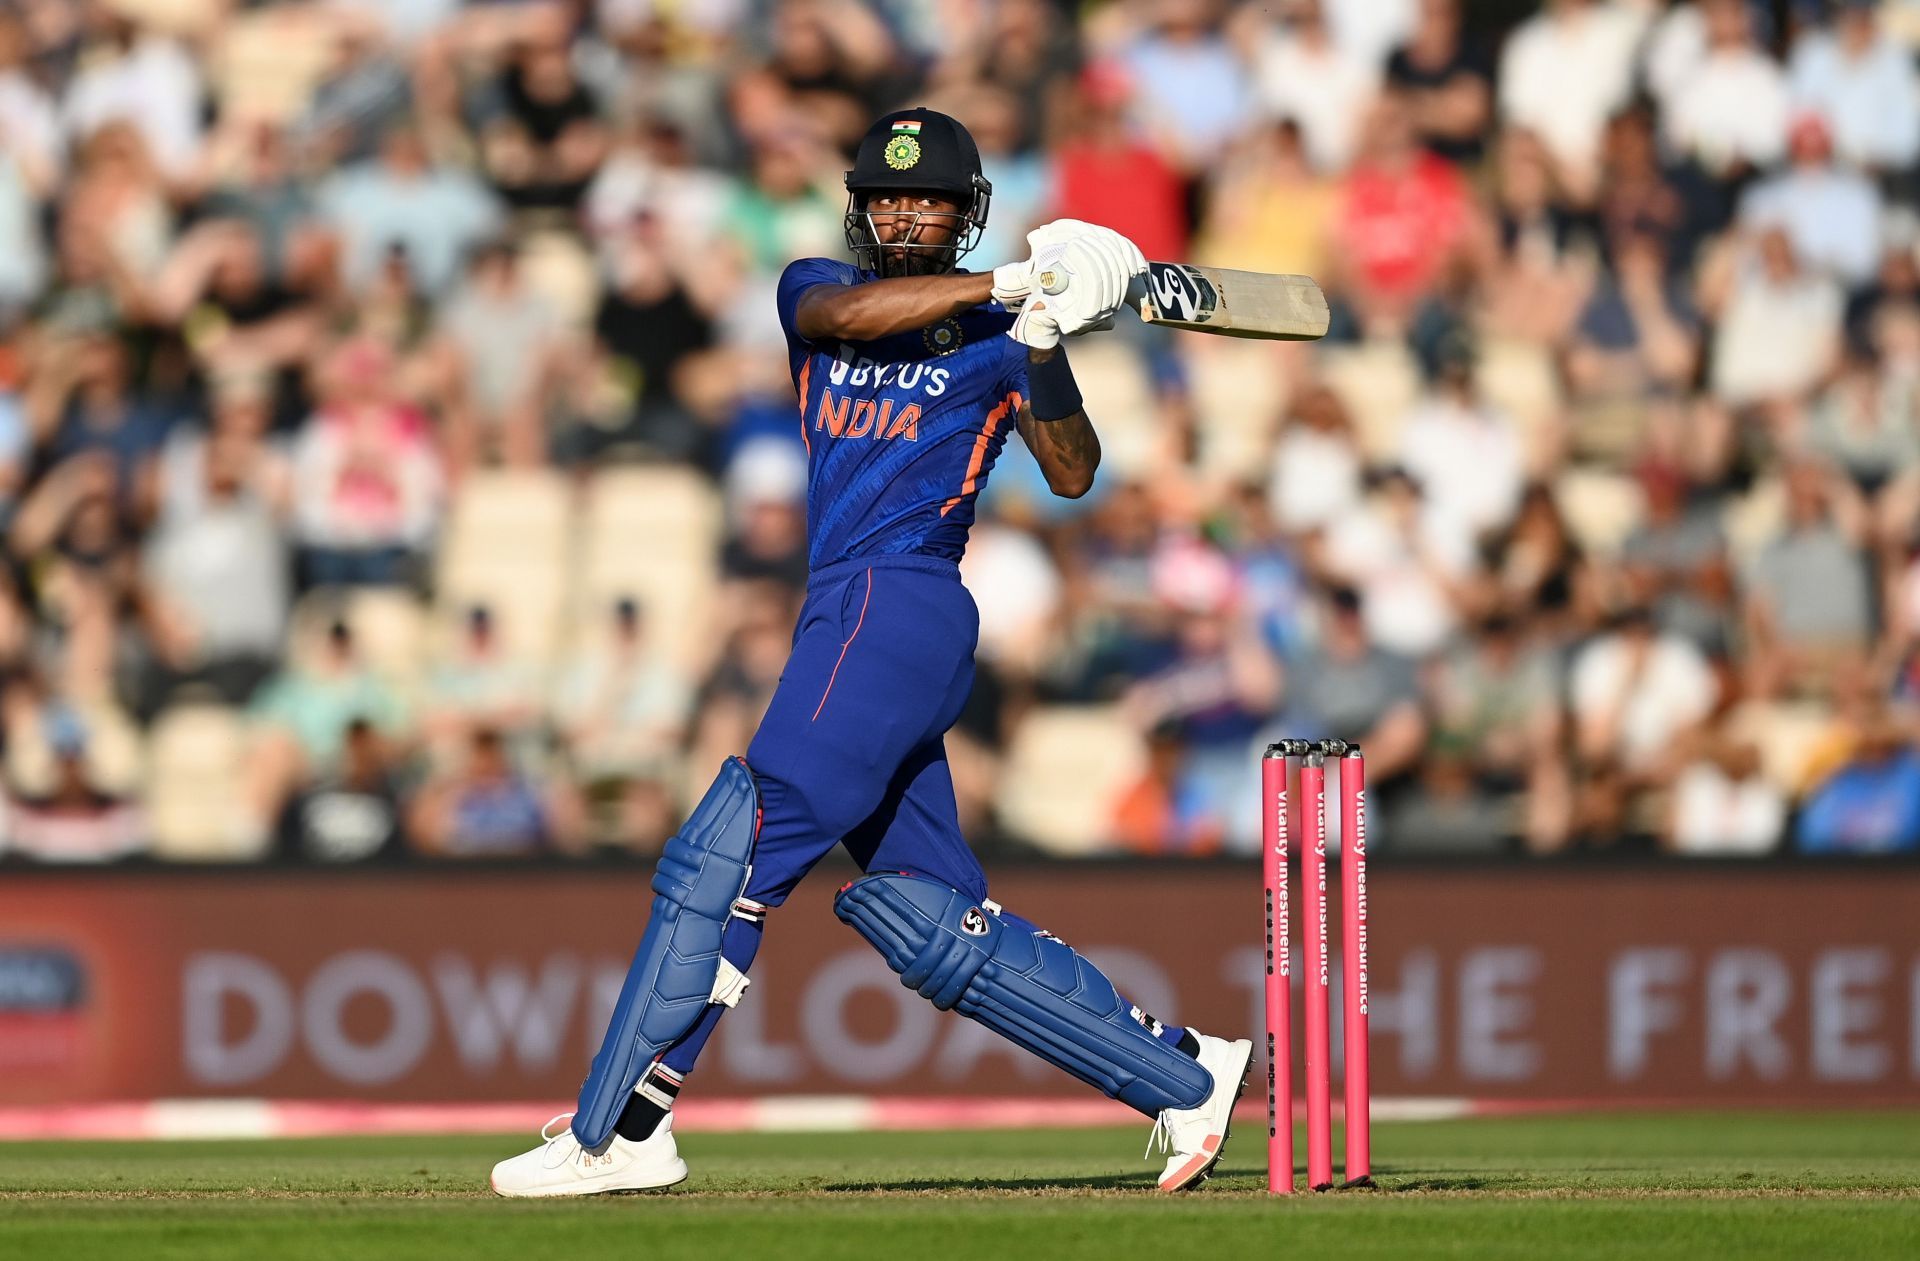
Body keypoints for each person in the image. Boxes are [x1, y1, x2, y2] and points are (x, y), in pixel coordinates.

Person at [491, 108, 1250, 1197]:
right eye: (886, 196)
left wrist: (1043, 341)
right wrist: (1007, 287)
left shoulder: (999, 338)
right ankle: (1184, 1077)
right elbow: (855, 309)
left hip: (901, 602)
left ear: (962, 211)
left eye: (926, 199)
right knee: (925, 914)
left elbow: (1076, 472)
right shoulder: (817, 291)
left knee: (735, 846)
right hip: (845, 608)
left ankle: (619, 1129)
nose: (901, 212)